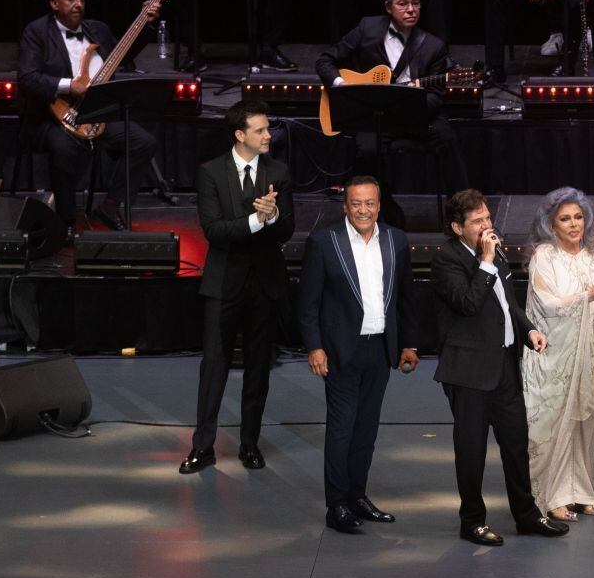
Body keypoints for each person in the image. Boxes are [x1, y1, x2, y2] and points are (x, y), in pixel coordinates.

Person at [431, 188, 570, 545]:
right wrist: (486, 262)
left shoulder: (496, 256)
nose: (487, 226)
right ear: (457, 227)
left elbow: (508, 305)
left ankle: (526, 515)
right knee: (472, 449)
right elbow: (468, 303)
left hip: (505, 365)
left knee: (515, 443)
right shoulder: (447, 259)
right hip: (469, 371)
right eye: (477, 221)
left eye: (488, 218)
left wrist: (529, 331)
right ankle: (472, 521)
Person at [296, 175, 420, 533]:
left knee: (366, 430)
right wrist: (314, 346)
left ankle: (358, 496)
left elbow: (406, 297)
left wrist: (408, 343)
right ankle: (337, 505)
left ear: (379, 206)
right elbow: (308, 303)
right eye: (356, 203)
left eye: (369, 203)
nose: (363, 210)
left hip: (380, 349)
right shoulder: (324, 241)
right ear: (345, 206)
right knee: (341, 430)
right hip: (339, 351)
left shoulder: (396, 239)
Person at [182, 99, 293, 476]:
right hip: (223, 283)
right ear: (239, 134)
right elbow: (214, 230)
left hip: (265, 283)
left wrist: (275, 215)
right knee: (214, 365)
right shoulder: (211, 173)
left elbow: (289, 228)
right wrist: (256, 221)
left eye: (268, 129)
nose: (268, 136)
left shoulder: (279, 170)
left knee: (259, 368)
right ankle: (203, 447)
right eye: (260, 130)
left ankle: (249, 444)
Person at [523, 186, 594, 520]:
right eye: (565, 219)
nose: (574, 224)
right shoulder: (545, 256)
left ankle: (583, 491)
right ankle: (553, 496)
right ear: (551, 224)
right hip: (557, 353)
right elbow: (547, 304)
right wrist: (587, 295)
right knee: (557, 423)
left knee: (586, 423)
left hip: (593, 352)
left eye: (578, 217)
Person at [16, 0, 160, 246]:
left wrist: (146, 23)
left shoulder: (98, 30)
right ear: (54, 4)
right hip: (49, 118)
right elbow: (27, 78)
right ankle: (66, 221)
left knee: (143, 142)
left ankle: (110, 204)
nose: (78, 3)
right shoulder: (36, 32)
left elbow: (123, 55)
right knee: (63, 146)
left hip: (95, 116)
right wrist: (70, 85)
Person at [315, 0, 471, 193]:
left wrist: (412, 102)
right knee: (368, 152)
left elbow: (435, 98)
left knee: (447, 139)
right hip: (374, 116)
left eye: (415, 3)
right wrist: (342, 86)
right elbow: (324, 61)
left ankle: (464, 210)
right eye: (403, 3)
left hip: (415, 116)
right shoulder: (367, 29)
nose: (411, 9)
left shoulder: (433, 46)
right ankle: (380, 211)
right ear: (388, 7)